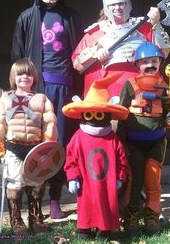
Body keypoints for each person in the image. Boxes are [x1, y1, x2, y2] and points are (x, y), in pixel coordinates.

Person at [11, 0, 83, 218]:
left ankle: (54, 201)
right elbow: (17, 59)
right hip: (35, 91)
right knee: (31, 142)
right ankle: (31, 205)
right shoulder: (27, 18)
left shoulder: (72, 17)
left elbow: (81, 57)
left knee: (58, 143)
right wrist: (18, 93)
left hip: (64, 88)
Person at [116, 42, 170, 237]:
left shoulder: (167, 86)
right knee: (134, 180)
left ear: (160, 62)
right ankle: (131, 217)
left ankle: (152, 216)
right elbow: (120, 114)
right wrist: (120, 141)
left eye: (154, 60)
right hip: (133, 143)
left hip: (156, 142)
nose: (150, 65)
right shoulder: (129, 85)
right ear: (137, 65)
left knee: (153, 179)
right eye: (145, 62)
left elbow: (169, 113)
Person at [0, 58, 58, 235]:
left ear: (34, 77)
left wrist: (48, 147)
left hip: (36, 149)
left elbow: (49, 124)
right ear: (14, 76)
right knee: (15, 184)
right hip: (14, 148)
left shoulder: (41, 99)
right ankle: (16, 221)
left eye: (28, 73)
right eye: (20, 74)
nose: (24, 77)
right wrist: (0, 149)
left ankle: (36, 219)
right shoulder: (5, 99)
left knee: (36, 184)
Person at [62, 73, 131, 241]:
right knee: (86, 204)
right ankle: (84, 229)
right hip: (85, 181)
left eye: (99, 114)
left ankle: (104, 230)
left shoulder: (113, 138)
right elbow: (71, 159)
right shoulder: (78, 136)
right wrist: (72, 177)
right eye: (90, 114)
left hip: (107, 183)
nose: (94, 117)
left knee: (106, 205)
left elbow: (122, 159)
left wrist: (120, 177)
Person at [72, 0, 170, 97]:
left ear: (127, 4)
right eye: (113, 5)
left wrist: (155, 24)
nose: (117, 8)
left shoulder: (143, 28)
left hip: (139, 91)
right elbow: (78, 66)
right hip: (105, 94)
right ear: (106, 7)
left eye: (121, 4)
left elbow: (163, 53)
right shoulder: (94, 33)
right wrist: (95, 53)